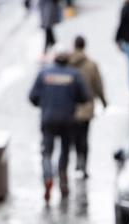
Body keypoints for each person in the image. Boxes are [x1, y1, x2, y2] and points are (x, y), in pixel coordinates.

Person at [28, 46, 89, 202]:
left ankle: (48, 177)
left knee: (46, 152)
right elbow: (84, 96)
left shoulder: (44, 73)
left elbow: (33, 96)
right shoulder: (74, 74)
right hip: (68, 120)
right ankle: (63, 178)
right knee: (65, 150)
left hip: (48, 119)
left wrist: (45, 103)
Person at [68, 36, 107, 180]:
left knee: (72, 137)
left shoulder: (66, 63)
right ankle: (83, 164)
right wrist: (103, 101)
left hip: (69, 108)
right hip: (86, 108)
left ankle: (76, 160)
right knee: (84, 136)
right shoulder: (91, 65)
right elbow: (98, 85)